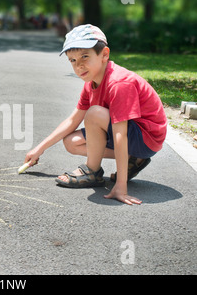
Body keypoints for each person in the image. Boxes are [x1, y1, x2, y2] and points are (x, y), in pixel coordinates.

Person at [24, 24, 167, 205]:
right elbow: (73, 120)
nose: (79, 65)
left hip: (147, 137)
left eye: (85, 56)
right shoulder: (91, 83)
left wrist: (121, 186)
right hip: (130, 134)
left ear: (104, 54)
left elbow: (119, 134)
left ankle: (92, 171)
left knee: (94, 113)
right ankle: (133, 160)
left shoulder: (119, 83)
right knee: (71, 142)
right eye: (73, 60)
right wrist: (40, 149)